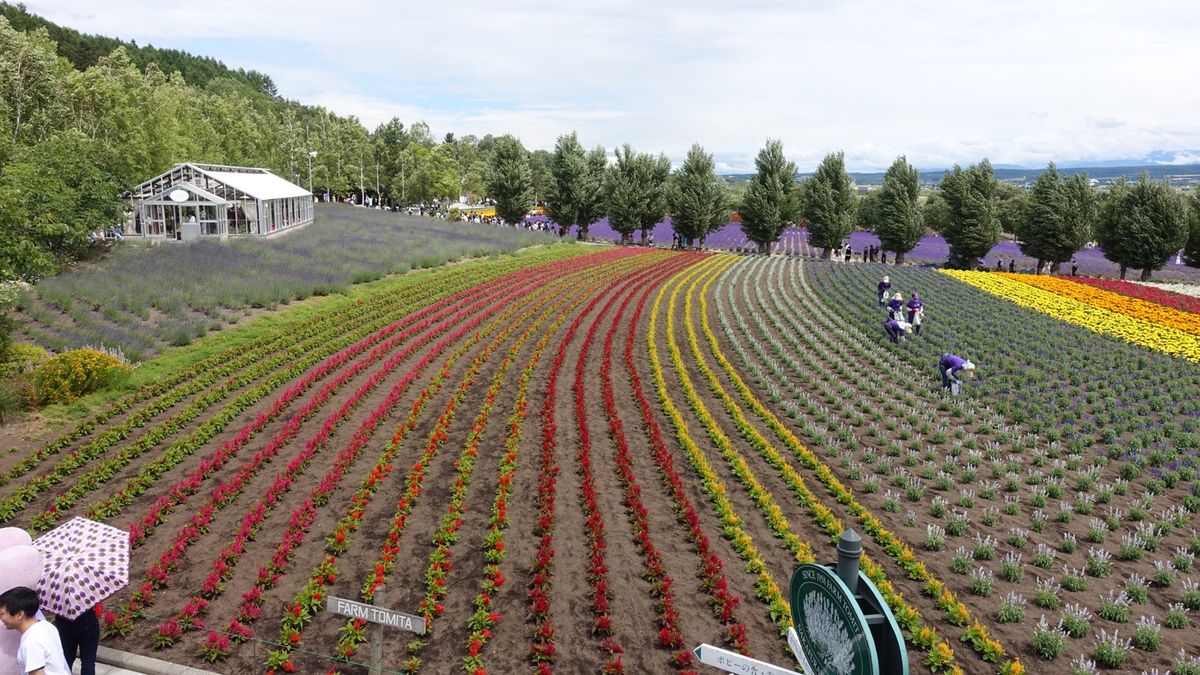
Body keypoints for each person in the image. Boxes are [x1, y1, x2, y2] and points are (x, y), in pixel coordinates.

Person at [0, 587, 72, 675]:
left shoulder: (31, 642)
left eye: (1, 614)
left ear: (19, 614)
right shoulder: (46, 626)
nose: (1, 618)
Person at [54, 605, 99, 675]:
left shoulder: (59, 595)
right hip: (87, 619)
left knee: (66, 659)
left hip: (63, 620)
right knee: (88, 660)